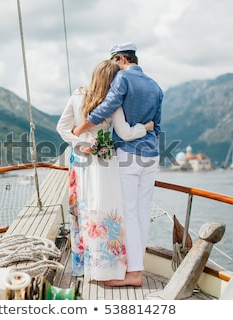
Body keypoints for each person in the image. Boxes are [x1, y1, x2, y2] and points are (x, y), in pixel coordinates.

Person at [73, 42, 163, 287]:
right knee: (143, 213)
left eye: (113, 61)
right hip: (151, 155)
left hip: (129, 155)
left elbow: (109, 106)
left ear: (121, 59)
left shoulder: (122, 79)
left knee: (129, 214)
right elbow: (157, 125)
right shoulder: (155, 86)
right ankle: (136, 268)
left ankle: (133, 273)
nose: (112, 68)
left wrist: (81, 127)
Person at [56, 59, 154, 281]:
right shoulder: (112, 103)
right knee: (106, 208)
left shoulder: (77, 96)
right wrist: (146, 127)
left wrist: (79, 143)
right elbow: (126, 133)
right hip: (103, 162)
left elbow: (61, 127)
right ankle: (106, 267)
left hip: (80, 160)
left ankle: (84, 266)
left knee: (83, 207)